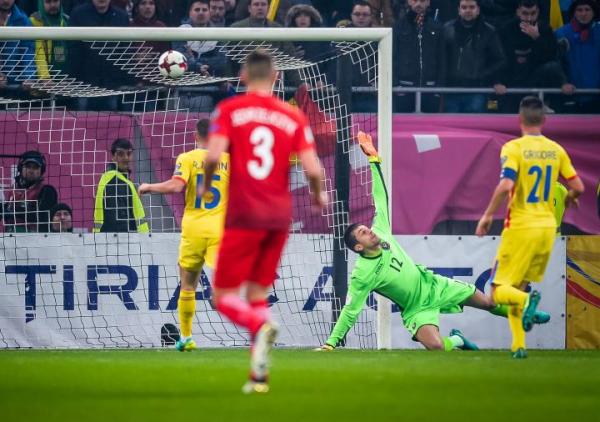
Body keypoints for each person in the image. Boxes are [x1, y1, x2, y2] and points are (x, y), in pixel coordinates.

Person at [318, 132, 523, 353]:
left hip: (433, 285)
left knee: (488, 303)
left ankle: (527, 312)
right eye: (362, 233)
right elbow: (350, 310)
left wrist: (374, 160)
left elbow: (380, 198)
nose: (369, 231)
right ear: (359, 247)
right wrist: (331, 343)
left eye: (365, 228)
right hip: (415, 307)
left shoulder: (381, 230)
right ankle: (458, 340)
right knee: (436, 346)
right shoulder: (362, 274)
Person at [202, 49, 326, 393]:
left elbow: (212, 156)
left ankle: (259, 324)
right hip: (279, 216)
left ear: (242, 76)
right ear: (275, 77)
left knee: (223, 296)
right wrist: (318, 196)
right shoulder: (292, 115)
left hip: (243, 213)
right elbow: (314, 169)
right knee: (257, 292)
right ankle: (259, 376)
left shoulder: (230, 110)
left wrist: (206, 184)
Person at [476, 96, 584, 358]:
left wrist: (487, 216)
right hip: (547, 229)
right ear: (544, 120)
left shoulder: (513, 148)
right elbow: (578, 186)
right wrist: (570, 198)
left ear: (519, 119)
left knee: (497, 292)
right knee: (518, 287)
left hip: (521, 227)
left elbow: (506, 185)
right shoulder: (556, 150)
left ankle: (529, 302)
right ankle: (519, 346)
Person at [138, 119, 230, 352]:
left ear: (195, 136)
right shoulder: (228, 161)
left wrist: (149, 187)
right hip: (219, 228)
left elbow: (176, 186)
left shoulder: (187, 158)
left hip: (194, 228)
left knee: (188, 285)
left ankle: (187, 338)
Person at [495, 0, 572, 112]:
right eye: (525, 13)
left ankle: (543, 102)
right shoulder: (505, 30)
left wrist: (537, 38)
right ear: (518, 12)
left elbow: (551, 57)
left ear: (538, 12)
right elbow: (497, 59)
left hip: (535, 77)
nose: (529, 18)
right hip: (511, 80)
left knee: (551, 67)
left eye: (533, 13)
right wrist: (497, 82)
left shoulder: (545, 29)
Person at [442, 0, 506, 113]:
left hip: (477, 90)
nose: (468, 10)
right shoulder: (446, 29)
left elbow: (500, 60)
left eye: (472, 7)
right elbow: (439, 58)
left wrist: (483, 75)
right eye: (464, 7)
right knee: (451, 124)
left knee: (475, 123)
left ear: (478, 10)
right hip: (451, 90)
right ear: (459, 10)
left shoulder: (489, 31)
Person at [68, 0, 129, 111]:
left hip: (112, 83)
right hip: (84, 83)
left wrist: (121, 78)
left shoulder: (122, 16)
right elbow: (73, 49)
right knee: (83, 118)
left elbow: (125, 50)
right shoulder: (78, 14)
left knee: (112, 119)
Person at [393, 0, 445, 112]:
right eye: (414, 0)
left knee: (431, 123)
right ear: (409, 1)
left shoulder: (437, 27)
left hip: (430, 89)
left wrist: (439, 87)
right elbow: (392, 57)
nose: (418, 4)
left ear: (428, 2)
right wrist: (395, 84)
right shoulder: (398, 27)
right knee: (404, 123)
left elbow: (442, 59)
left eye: (422, 0)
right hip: (404, 88)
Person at [93, 138, 149, 233]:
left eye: (129, 153)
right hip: (122, 240)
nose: (126, 158)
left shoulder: (119, 178)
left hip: (119, 239)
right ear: (113, 157)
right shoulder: (115, 180)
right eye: (121, 154)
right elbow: (119, 222)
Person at [555, 0, 600, 113]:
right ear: (574, 12)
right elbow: (556, 62)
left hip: (596, 97)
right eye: (579, 10)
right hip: (570, 95)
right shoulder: (561, 33)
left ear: (594, 12)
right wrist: (563, 82)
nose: (583, 13)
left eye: (587, 10)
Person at [1, 151, 58, 233]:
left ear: (41, 171)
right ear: (20, 168)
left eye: (35, 167)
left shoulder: (47, 191)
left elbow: (41, 216)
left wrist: (10, 212)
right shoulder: (13, 189)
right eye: (28, 166)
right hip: (11, 237)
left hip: (36, 238)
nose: (31, 170)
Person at [0, 0, 37, 89]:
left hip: (14, 84)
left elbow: (28, 51)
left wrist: (29, 77)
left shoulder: (23, 20)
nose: (6, 0)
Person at [30, 0, 69, 79]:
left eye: (55, 1)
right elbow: (38, 53)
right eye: (48, 2)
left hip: (63, 79)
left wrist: (63, 78)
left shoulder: (66, 20)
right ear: (41, 3)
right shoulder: (35, 21)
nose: (53, 5)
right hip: (39, 79)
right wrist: (45, 78)